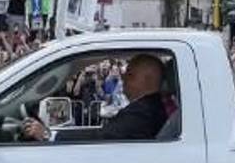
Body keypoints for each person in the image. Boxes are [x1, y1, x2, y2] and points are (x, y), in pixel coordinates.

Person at [24, 54, 169, 142]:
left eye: (130, 75)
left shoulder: (143, 113)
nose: (123, 78)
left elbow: (102, 137)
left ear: (149, 80)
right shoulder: (148, 107)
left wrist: (48, 135)